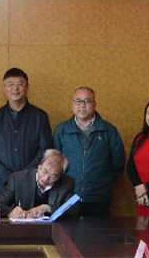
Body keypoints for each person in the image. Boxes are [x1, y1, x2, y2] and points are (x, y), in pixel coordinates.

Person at [53, 87, 125, 216]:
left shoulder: (108, 130)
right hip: (68, 196)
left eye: (87, 101)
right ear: (72, 104)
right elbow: (55, 162)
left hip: (99, 197)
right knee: (68, 229)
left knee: (98, 229)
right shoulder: (62, 130)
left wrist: (104, 180)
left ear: (94, 104)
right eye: (78, 101)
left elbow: (118, 161)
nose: (82, 106)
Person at [0, 68, 52, 200]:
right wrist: (6, 176)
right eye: (10, 84)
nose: (15, 89)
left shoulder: (40, 117)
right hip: (0, 187)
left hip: (32, 185)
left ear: (27, 87)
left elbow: (45, 150)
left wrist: (25, 175)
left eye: (20, 84)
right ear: (4, 88)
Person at [0, 149, 75, 219]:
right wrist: (10, 211)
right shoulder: (18, 179)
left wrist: (47, 208)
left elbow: (74, 209)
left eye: (53, 176)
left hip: (53, 230)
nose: (46, 178)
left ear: (60, 176)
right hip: (23, 229)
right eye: (44, 171)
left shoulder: (67, 183)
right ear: (39, 166)